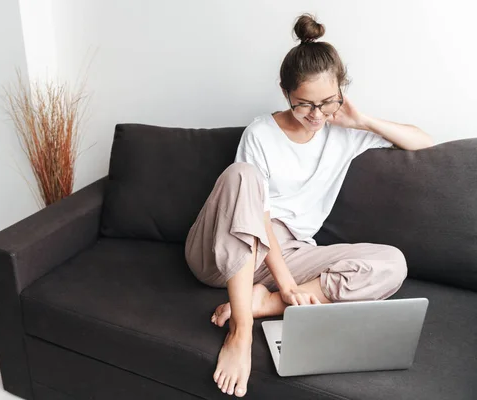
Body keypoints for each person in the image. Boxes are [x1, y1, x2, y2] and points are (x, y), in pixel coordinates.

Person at [184, 13, 434, 398]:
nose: (317, 116)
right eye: (304, 105)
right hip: (222, 251)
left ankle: (262, 304)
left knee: (392, 263)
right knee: (242, 175)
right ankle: (242, 330)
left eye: (327, 103)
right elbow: (259, 216)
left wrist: (361, 120)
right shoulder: (261, 133)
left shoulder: (344, 131)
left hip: (291, 252)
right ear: (286, 93)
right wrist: (286, 284)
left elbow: (425, 144)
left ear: (341, 94)